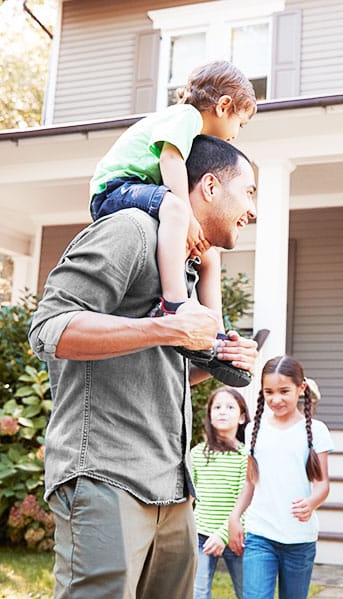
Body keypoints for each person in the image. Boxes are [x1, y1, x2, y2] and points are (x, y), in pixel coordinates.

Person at [28, 134, 260, 599]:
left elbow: (155, 365)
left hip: (172, 488)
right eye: (249, 192)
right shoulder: (131, 229)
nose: (253, 210)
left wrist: (215, 362)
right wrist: (168, 330)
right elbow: (49, 328)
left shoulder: (186, 267)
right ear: (210, 186)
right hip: (106, 476)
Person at [89, 60, 257, 386]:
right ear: (224, 106)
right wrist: (187, 214)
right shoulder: (186, 117)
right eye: (240, 122)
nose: (236, 134)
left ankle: (217, 339)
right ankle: (175, 304)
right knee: (175, 209)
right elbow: (169, 159)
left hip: (134, 189)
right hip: (115, 188)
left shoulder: (189, 129)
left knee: (209, 254)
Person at [227, 356, 333, 599]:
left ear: (301, 388)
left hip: (299, 539)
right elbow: (250, 483)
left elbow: (323, 484)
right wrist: (234, 517)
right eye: (269, 392)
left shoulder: (317, 431)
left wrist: (312, 502)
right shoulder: (255, 430)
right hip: (260, 534)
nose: (276, 399)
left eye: (284, 391)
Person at [191, 387, 250, 599]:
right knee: (198, 594)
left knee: (248, 592)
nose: (222, 412)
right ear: (209, 415)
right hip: (201, 535)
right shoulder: (196, 454)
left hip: (237, 534)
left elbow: (245, 501)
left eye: (230, 407)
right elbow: (191, 499)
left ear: (242, 417)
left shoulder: (247, 455)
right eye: (217, 407)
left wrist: (223, 535)